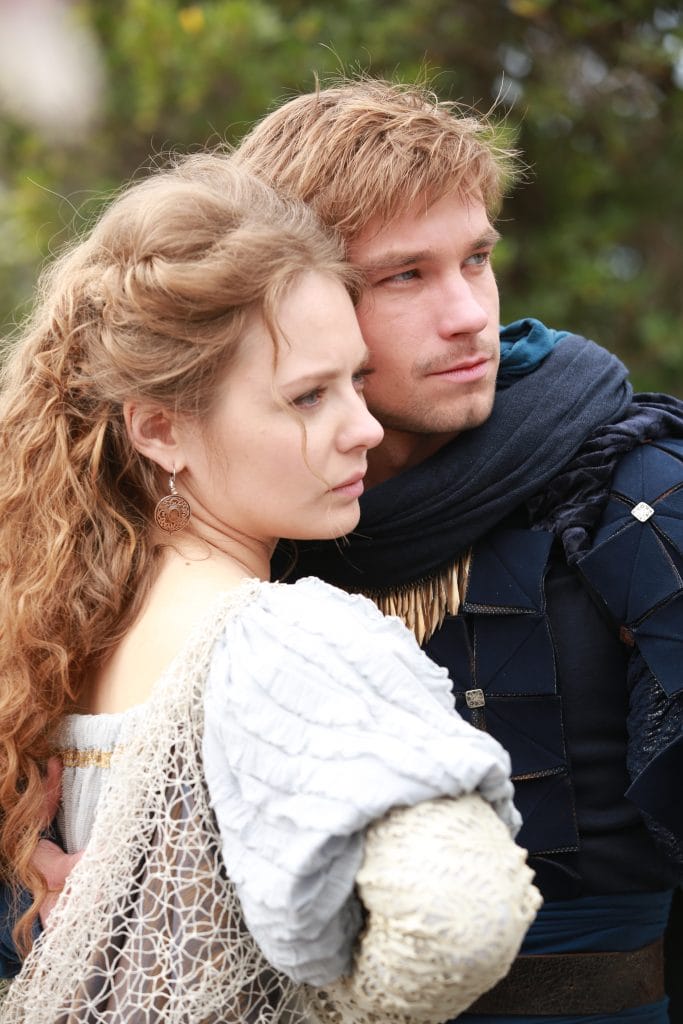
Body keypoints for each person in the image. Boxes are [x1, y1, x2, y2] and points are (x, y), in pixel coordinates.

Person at [0, 153, 541, 1021]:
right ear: (160, 428)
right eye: (307, 398)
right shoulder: (282, 637)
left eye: (355, 381)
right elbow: (459, 924)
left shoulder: (75, 621)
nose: (363, 428)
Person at [234, 76, 683, 1023]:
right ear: (294, 299)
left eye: (475, 259)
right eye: (405, 275)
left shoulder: (631, 489)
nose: (467, 313)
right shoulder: (229, 520)